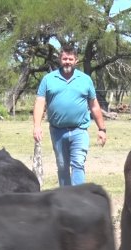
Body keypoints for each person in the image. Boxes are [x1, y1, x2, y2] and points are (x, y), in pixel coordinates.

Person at [33, 44, 107, 186]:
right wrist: (37, 126)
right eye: (64, 58)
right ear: (60, 60)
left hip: (79, 130)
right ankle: (65, 198)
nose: (67, 62)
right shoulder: (48, 79)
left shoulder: (85, 79)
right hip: (57, 131)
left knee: (78, 163)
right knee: (62, 166)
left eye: (70, 59)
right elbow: (40, 103)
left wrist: (102, 129)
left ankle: (78, 199)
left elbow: (94, 105)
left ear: (76, 61)